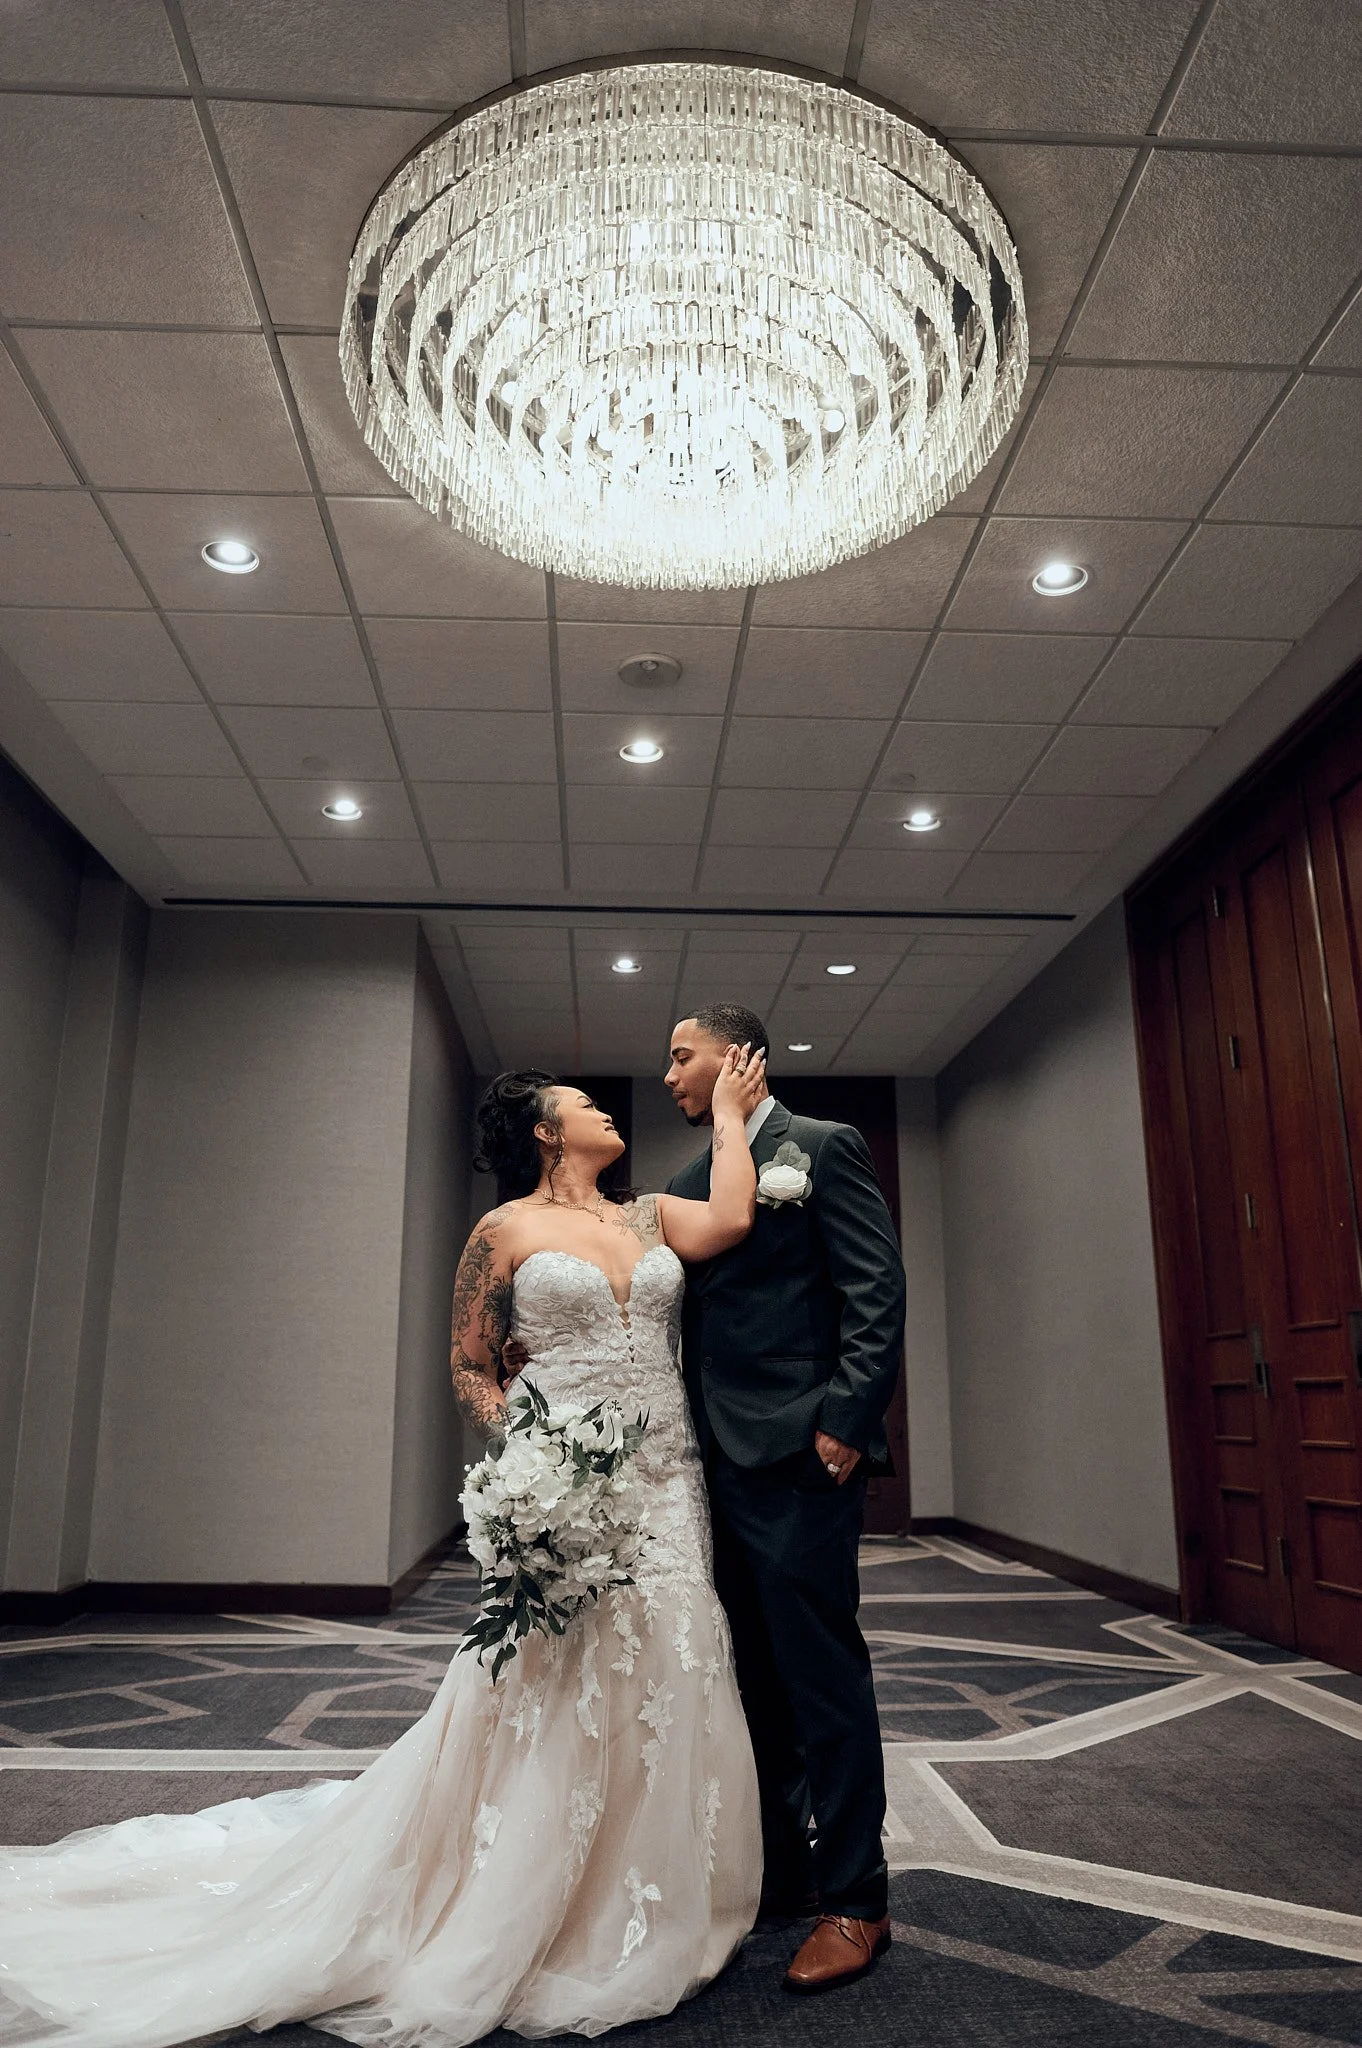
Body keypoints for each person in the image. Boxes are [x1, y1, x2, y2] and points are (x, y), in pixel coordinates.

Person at [0, 1049, 769, 2048]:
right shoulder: (502, 1230)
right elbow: (470, 1362)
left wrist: (727, 1115)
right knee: (556, 1670)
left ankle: (655, 1885)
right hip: (565, 1480)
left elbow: (737, 1217)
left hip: (668, 1477)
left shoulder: (650, 1215)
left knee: (676, 1651)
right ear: (546, 1129)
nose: (603, 1108)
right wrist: (527, 1462)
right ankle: (529, 1894)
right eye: (582, 1102)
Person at [664, 1004, 906, 1995]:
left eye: (683, 1055)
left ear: (736, 1055)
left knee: (820, 1676)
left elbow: (874, 1285)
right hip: (709, 1466)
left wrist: (847, 1416)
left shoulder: (822, 1147)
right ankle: (787, 1871)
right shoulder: (692, 1180)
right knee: (749, 1678)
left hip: (801, 1452)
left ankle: (859, 1895)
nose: (672, 1074)